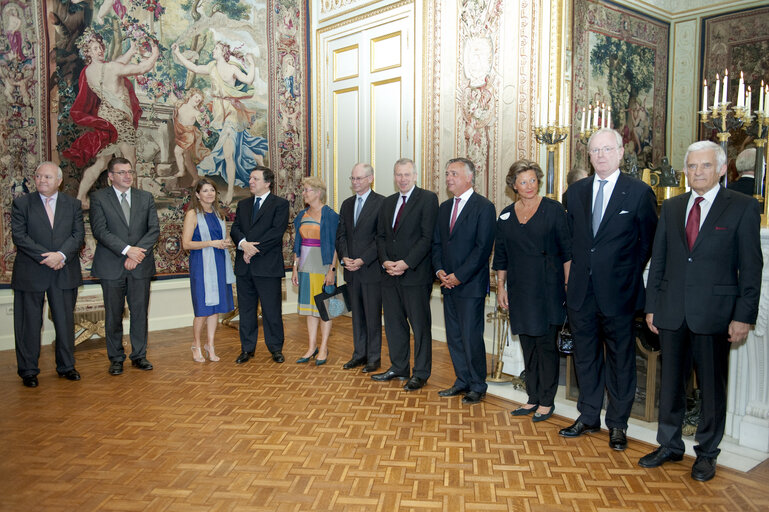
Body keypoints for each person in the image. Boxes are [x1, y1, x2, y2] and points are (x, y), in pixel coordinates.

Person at [640, 141, 762, 482]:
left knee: (711, 388)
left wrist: (744, 316)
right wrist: (652, 307)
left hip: (716, 315)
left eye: (705, 166)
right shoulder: (674, 206)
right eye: (692, 166)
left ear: (722, 169)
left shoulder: (742, 207)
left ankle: (707, 453)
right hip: (672, 312)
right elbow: (659, 260)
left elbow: (751, 269)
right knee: (671, 386)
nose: (697, 172)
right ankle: (670, 444)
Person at [560, 128, 657, 450]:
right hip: (581, 293)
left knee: (621, 361)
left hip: (620, 293)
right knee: (585, 358)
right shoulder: (574, 193)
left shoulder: (639, 193)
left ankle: (617, 424)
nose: (600, 155)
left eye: (606, 149)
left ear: (620, 153)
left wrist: (624, 271)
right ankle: (588, 416)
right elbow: (572, 242)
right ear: (588, 157)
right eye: (595, 150)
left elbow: (647, 244)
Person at [493, 160, 571, 419]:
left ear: (539, 181)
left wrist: (569, 286)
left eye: (533, 180)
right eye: (522, 181)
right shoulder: (505, 214)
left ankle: (547, 400)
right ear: (513, 185)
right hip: (519, 289)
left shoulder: (554, 210)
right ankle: (532, 397)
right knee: (528, 344)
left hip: (548, 288)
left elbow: (567, 253)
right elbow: (501, 255)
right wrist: (501, 287)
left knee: (546, 346)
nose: (528, 186)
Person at [64, 29, 159, 209]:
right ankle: (135, 203)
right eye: (94, 48)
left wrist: (131, 51)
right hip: (120, 122)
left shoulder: (88, 71)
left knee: (102, 162)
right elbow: (142, 68)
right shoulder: (110, 68)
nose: (99, 50)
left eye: (100, 46)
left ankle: (80, 197)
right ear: (88, 52)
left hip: (105, 120)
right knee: (130, 161)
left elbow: (117, 64)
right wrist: (154, 54)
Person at [11, 162, 85, 387]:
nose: (42, 180)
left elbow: (78, 235)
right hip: (31, 271)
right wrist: (48, 257)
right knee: (28, 324)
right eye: (38, 176)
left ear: (59, 181)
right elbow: (20, 237)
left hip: (64, 270)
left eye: (48, 177)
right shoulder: (22, 204)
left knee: (64, 322)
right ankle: (28, 371)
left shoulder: (72, 204)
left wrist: (61, 255)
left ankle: (66, 366)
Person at [432, 158, 496, 404]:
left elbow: (482, 249)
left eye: (454, 174)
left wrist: (459, 276)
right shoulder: (445, 207)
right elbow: (437, 243)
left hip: (469, 286)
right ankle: (462, 380)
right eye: (447, 174)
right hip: (447, 283)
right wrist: (439, 272)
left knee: (471, 336)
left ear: (469, 177)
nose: (449, 178)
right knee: (454, 336)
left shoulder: (484, 207)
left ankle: (478, 385)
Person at [172, 42, 268, 205]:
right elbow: (194, 68)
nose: (213, 50)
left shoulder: (231, 69)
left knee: (228, 152)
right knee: (235, 147)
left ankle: (230, 191)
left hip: (232, 111)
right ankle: (255, 156)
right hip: (219, 113)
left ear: (223, 52)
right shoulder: (211, 67)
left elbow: (248, 80)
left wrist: (252, 64)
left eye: (216, 48)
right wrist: (178, 53)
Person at [372, 158, 439, 391]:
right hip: (389, 274)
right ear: (394, 177)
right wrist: (386, 262)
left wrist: (406, 263)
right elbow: (380, 236)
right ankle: (399, 367)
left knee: (419, 326)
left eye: (407, 175)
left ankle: (420, 373)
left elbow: (427, 237)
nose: (402, 179)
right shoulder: (388, 202)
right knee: (393, 324)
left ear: (415, 175)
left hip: (415, 275)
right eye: (398, 175)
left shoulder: (428, 199)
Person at [90, 156, 160, 376]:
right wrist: (126, 250)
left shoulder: (145, 197)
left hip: (140, 265)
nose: (127, 176)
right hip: (111, 265)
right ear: (110, 176)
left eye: (130, 172)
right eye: (121, 172)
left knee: (140, 313)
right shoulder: (99, 198)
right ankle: (116, 358)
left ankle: (139, 355)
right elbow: (100, 231)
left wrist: (135, 254)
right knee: (113, 315)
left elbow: (153, 230)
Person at [230, 166, 289, 365]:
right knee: (246, 311)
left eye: (255, 178)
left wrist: (252, 249)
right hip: (244, 267)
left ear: (267, 182)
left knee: (271, 310)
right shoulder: (243, 204)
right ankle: (247, 349)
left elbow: (276, 232)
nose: (251, 182)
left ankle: (275, 349)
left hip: (267, 266)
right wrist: (243, 245)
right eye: (250, 178)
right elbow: (236, 228)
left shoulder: (280, 204)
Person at [336, 163, 385, 373]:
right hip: (351, 271)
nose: (355, 182)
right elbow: (341, 235)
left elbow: (380, 239)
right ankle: (359, 354)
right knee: (356, 316)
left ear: (370, 178)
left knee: (372, 316)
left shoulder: (382, 203)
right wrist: (345, 257)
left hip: (371, 270)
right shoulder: (347, 204)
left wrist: (362, 260)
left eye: (359, 178)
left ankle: (374, 358)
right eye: (353, 179)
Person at [181, 178, 235, 363]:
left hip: (219, 263)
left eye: (212, 190)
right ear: (197, 194)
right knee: (202, 309)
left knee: (216, 309)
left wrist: (225, 243)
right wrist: (211, 243)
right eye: (205, 190)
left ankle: (210, 345)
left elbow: (222, 238)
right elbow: (186, 244)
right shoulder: (192, 215)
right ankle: (196, 344)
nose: (210, 193)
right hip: (201, 265)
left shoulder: (220, 214)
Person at [291, 177, 339, 365]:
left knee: (325, 309)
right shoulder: (301, 215)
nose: (303, 193)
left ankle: (324, 347)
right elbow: (297, 244)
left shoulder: (331, 215)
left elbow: (336, 245)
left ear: (318, 193)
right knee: (310, 310)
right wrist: (295, 268)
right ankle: (312, 347)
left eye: (307, 190)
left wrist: (332, 270)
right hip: (304, 266)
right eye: (303, 190)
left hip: (323, 265)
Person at [173, 88, 211, 185]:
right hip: (180, 132)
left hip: (188, 135)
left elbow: (203, 123)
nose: (198, 99)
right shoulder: (181, 104)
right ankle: (196, 177)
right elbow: (172, 99)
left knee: (177, 151)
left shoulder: (196, 112)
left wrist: (205, 120)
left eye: (200, 99)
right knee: (187, 158)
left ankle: (182, 171)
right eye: (196, 97)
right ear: (190, 96)